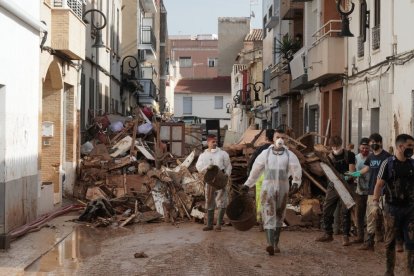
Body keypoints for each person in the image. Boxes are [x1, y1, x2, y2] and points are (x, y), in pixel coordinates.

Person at [241, 135, 302, 255]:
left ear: (286, 140)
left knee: (279, 215)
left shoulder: (289, 155)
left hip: (283, 188)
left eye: (282, 137)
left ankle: (275, 243)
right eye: (277, 136)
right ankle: (269, 244)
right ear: (273, 139)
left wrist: (296, 183)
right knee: (268, 213)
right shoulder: (265, 154)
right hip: (268, 188)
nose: (280, 139)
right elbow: (256, 170)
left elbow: (296, 169)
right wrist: (248, 184)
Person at [373, 134, 414, 275]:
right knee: (390, 241)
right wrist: (374, 204)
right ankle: (389, 272)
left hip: (410, 209)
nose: (412, 149)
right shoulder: (388, 163)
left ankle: (410, 271)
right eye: (410, 146)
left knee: (411, 241)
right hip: (392, 209)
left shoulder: (412, 164)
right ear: (400, 146)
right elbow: (379, 185)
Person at [347, 133, 391, 250]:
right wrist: (353, 174)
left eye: (375, 142)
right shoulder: (371, 157)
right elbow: (365, 170)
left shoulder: (387, 157)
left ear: (381, 143)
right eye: (371, 142)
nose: (373, 144)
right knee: (370, 216)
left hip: (385, 192)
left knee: (386, 216)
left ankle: (389, 241)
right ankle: (369, 242)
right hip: (372, 191)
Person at [315, 135, 356, 246]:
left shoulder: (350, 155)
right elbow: (326, 173)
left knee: (345, 211)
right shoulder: (328, 158)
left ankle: (345, 236)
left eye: (337, 147)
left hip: (347, 185)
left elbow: (353, 172)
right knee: (327, 208)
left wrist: (348, 176)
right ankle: (328, 233)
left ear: (341, 145)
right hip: (333, 185)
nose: (335, 149)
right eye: (333, 147)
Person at [196, 135, 232, 231]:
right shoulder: (203, 155)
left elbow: (228, 166)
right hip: (210, 181)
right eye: (213, 142)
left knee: (222, 201)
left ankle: (219, 224)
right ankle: (209, 225)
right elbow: (198, 167)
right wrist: (206, 168)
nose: (215, 143)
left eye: (215, 141)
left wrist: (226, 175)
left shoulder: (223, 154)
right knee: (210, 201)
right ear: (208, 143)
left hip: (220, 180)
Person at [246, 129, 275, 226]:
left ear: (266, 137)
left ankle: (260, 220)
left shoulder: (260, 149)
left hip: (260, 176)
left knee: (259, 198)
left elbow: (252, 161)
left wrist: (250, 175)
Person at [352, 137, 371, 243]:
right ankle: (360, 236)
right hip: (359, 190)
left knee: (370, 215)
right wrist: (351, 176)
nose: (365, 150)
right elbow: (353, 171)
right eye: (363, 148)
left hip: (371, 191)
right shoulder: (356, 158)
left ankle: (370, 237)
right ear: (359, 147)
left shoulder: (372, 158)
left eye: (367, 148)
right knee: (359, 215)